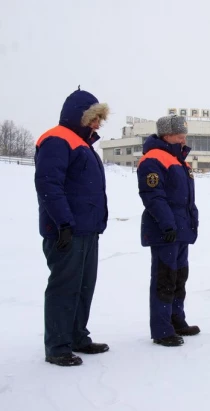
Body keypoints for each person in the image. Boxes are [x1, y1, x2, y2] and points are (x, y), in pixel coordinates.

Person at [34, 88, 110, 367]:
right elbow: (48, 185)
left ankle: (77, 336)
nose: (98, 124)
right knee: (64, 287)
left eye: (100, 119)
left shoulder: (83, 144)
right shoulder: (57, 139)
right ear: (80, 116)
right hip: (66, 231)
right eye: (94, 119)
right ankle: (57, 345)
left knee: (83, 286)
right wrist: (63, 223)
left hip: (87, 230)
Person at [137, 114, 200, 347]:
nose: (184, 138)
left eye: (184, 133)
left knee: (179, 277)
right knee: (164, 278)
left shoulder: (179, 160)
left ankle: (176, 320)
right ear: (166, 134)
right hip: (166, 231)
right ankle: (162, 329)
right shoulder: (154, 159)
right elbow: (153, 196)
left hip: (181, 229)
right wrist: (167, 224)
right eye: (179, 134)